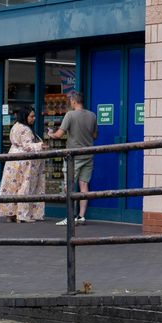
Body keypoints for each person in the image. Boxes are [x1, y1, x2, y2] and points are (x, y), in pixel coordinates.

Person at [49, 91, 98, 226]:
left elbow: (59, 134)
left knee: (68, 186)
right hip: (88, 154)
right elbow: (94, 135)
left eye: (70, 101)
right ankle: (81, 216)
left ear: (74, 101)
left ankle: (70, 217)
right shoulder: (92, 115)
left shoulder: (70, 115)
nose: (70, 103)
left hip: (74, 157)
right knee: (84, 184)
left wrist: (50, 134)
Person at [0, 106, 46, 222]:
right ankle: (22, 215)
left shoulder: (15, 126)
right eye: (31, 116)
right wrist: (41, 145)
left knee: (12, 186)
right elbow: (28, 146)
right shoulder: (26, 129)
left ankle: (11, 214)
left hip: (12, 160)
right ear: (25, 116)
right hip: (24, 162)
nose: (34, 118)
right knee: (25, 186)